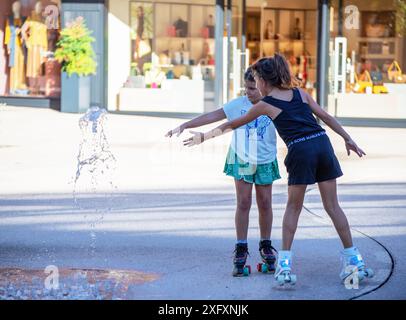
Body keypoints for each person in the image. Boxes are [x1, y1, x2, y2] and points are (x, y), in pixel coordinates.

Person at [182, 54, 374, 286]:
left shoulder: (266, 104)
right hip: (323, 144)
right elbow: (324, 116)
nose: (253, 87)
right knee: (333, 206)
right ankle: (355, 261)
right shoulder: (300, 93)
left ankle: (283, 266)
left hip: (301, 150)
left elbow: (232, 124)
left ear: (264, 80)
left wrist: (204, 137)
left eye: (255, 81)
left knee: (293, 208)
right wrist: (348, 138)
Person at [165, 67, 280, 277]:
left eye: (253, 88)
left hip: (264, 159)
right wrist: (186, 125)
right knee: (244, 202)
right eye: (246, 88)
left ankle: (265, 245)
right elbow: (214, 116)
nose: (249, 92)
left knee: (265, 203)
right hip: (242, 158)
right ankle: (241, 247)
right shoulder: (238, 105)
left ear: (263, 86)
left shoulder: (273, 104)